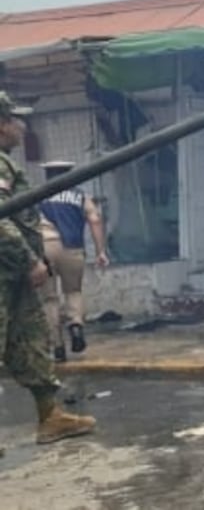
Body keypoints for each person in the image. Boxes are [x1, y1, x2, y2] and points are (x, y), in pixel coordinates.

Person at [0, 92, 96, 451]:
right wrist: (29, 259)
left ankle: (50, 417)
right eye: (15, 119)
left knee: (33, 342)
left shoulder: (6, 163)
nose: (22, 126)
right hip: (6, 270)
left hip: (13, 278)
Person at [37, 160, 110, 362]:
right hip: (73, 249)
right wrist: (100, 251)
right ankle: (76, 325)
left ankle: (58, 347)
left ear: (47, 175)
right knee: (73, 291)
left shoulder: (37, 194)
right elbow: (95, 220)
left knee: (49, 298)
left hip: (45, 248)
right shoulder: (81, 196)